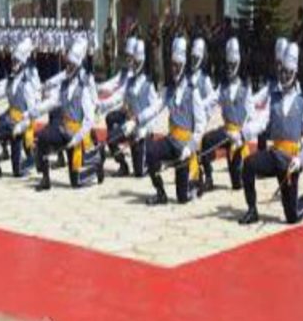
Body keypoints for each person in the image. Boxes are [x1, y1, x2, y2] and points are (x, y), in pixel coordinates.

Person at [238, 44, 303, 225]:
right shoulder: (274, 97)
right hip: (274, 155)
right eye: (282, 72)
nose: (284, 76)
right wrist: (244, 133)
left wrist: (301, 158)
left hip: (291, 161)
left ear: (295, 73)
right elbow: (262, 120)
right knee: (249, 165)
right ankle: (252, 210)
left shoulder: (302, 102)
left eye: (288, 73)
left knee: (291, 218)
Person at [33, 37, 106, 191]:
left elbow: (89, 119)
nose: (67, 67)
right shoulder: (66, 81)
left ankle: (96, 167)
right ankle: (45, 178)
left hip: (77, 133)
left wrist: (77, 138)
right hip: (63, 128)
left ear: (77, 66)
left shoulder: (85, 85)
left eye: (71, 65)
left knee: (76, 183)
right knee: (42, 138)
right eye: (67, 64)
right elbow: (55, 101)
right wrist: (38, 108)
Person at [144, 37, 207, 205]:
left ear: (183, 65)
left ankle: (198, 179)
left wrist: (191, 146)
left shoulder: (192, 91)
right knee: (150, 152)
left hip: (186, 147)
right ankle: (160, 192)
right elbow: (156, 107)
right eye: (172, 65)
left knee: (182, 199)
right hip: (171, 141)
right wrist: (139, 119)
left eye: (177, 65)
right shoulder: (168, 90)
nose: (174, 69)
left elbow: (201, 124)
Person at [0, 37, 41, 178]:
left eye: (16, 61)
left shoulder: (26, 84)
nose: (13, 64)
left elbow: (33, 110)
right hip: (8, 119)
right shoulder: (10, 80)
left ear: (22, 63)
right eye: (13, 61)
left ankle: (34, 158)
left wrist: (27, 128)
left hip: (20, 123)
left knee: (17, 172)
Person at [99, 38, 158, 178]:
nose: (133, 65)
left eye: (137, 62)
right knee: (111, 139)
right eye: (133, 62)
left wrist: (144, 130)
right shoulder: (130, 81)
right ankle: (123, 165)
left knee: (139, 173)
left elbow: (155, 112)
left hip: (143, 131)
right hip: (130, 126)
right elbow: (121, 99)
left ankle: (152, 158)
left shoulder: (149, 85)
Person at [200, 37, 252, 191]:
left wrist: (242, 134)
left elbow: (251, 114)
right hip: (225, 131)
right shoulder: (222, 87)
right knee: (207, 140)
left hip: (238, 135)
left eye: (233, 64)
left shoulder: (246, 88)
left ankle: (240, 174)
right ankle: (208, 177)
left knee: (237, 184)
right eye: (228, 64)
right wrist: (197, 106)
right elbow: (210, 100)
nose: (230, 67)